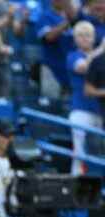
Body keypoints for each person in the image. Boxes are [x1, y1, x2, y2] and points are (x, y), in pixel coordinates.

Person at [68, 20, 104, 175]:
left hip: (99, 111)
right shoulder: (73, 56)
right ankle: (75, 184)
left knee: (98, 153)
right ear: (75, 38)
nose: (85, 39)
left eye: (88, 35)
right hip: (81, 110)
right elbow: (83, 67)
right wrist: (101, 49)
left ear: (94, 37)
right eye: (81, 36)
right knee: (79, 152)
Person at [36, 0, 76, 99]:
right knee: (51, 105)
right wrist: (68, 22)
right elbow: (49, 36)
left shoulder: (76, 18)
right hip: (51, 69)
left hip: (70, 69)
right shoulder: (45, 16)